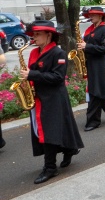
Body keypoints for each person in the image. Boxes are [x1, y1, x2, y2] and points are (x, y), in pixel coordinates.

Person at [20, 20, 84, 184]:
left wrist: (32, 75)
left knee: (50, 131)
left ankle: (50, 168)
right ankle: (69, 149)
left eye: (37, 34)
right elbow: (32, 74)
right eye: (33, 34)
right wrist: (25, 84)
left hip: (54, 97)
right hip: (39, 97)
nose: (34, 37)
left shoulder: (58, 53)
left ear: (49, 35)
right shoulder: (34, 53)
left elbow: (57, 78)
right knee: (51, 130)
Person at [80, 7, 105, 131]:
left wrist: (87, 46)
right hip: (91, 63)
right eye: (90, 15)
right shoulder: (89, 30)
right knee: (104, 90)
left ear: (101, 16)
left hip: (99, 64)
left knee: (95, 91)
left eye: (93, 15)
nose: (91, 17)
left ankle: (93, 121)